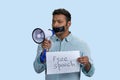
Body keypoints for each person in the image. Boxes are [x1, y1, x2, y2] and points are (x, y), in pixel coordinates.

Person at [33, 8, 95, 80]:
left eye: (59, 22)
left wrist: (87, 64)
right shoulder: (45, 43)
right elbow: (37, 69)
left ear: (68, 24)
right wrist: (44, 53)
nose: (55, 25)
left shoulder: (81, 45)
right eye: (53, 21)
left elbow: (90, 73)